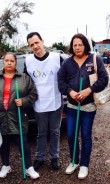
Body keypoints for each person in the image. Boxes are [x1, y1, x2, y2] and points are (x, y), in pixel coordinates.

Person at [58, 33, 108, 179]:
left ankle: (84, 165)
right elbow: (60, 81)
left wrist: (89, 90)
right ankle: (74, 161)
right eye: (75, 45)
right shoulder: (67, 63)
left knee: (86, 135)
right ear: (71, 47)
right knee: (72, 135)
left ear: (85, 45)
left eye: (80, 44)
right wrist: (70, 92)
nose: (78, 47)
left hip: (88, 106)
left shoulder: (94, 59)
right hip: (73, 106)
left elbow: (104, 79)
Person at [0, 52, 39, 179]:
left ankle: (29, 167)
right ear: (3, 62)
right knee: (3, 141)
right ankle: (5, 165)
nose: (9, 63)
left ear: (15, 63)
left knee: (22, 142)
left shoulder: (24, 78)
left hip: (17, 114)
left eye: (11, 61)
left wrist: (24, 101)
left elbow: (33, 94)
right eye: (6, 60)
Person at [24, 32, 64, 172]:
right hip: (39, 102)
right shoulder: (28, 61)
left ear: (42, 41)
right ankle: (39, 157)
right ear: (29, 46)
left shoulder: (56, 57)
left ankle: (54, 157)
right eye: (32, 44)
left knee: (55, 131)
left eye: (37, 42)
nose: (35, 46)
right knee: (41, 132)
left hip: (55, 100)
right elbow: (25, 81)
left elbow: (67, 74)